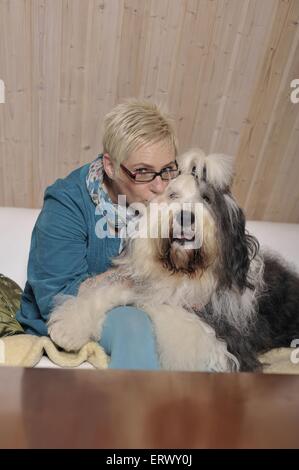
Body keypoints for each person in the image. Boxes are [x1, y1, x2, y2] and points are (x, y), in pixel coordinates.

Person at [16, 99, 179, 369]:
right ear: (110, 166)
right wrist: (140, 275)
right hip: (79, 316)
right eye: (143, 172)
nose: (160, 186)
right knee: (132, 324)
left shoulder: (173, 199)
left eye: (167, 170)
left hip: (150, 307)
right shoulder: (66, 204)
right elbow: (56, 297)